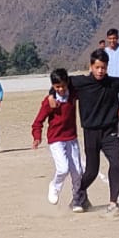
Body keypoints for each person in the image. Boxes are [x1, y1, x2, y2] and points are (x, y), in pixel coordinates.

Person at [67, 49, 119, 216]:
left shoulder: (113, 83)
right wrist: (52, 96)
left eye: (103, 67)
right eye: (97, 67)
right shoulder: (80, 82)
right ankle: (79, 194)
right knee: (92, 170)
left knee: (116, 164)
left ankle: (113, 203)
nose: (100, 71)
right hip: (91, 133)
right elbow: (58, 83)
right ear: (91, 66)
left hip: (110, 132)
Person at [31, 68, 82, 208]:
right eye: (57, 87)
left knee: (77, 171)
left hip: (71, 138)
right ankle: (55, 186)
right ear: (52, 86)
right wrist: (37, 136)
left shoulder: (72, 95)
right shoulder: (49, 102)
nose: (60, 89)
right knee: (63, 168)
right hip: (56, 139)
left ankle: (77, 198)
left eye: (63, 86)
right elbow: (38, 122)